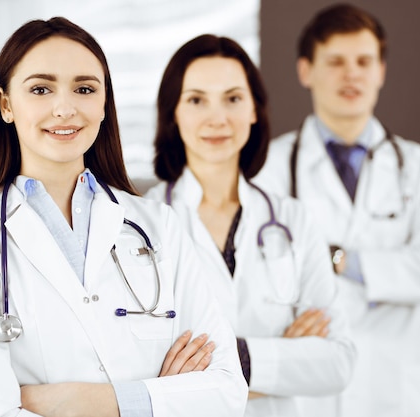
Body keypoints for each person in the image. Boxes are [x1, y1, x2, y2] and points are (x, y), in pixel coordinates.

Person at [0, 17, 248, 417]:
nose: (64, 109)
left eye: (84, 89)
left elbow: (225, 392)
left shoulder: (160, 225)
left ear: (103, 104)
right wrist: (158, 399)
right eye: (41, 89)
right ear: (6, 105)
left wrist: (82, 402)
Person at [253, 4, 420, 417]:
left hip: (397, 389)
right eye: (335, 61)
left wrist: (337, 260)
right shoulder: (270, 169)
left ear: (381, 71)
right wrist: (388, 270)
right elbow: (259, 278)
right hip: (310, 389)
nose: (351, 74)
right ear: (305, 71)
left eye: (364, 61)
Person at [144, 34, 356, 417]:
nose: (217, 117)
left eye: (233, 98)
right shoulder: (141, 221)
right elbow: (142, 367)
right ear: (173, 112)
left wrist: (225, 362)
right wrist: (281, 356)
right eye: (196, 100)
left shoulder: (292, 220)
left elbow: (337, 362)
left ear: (254, 110)